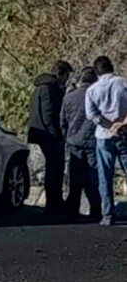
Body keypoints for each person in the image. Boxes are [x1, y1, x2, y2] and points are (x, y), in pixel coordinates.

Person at [85, 56, 127, 226]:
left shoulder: (92, 90)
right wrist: (121, 123)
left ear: (97, 72)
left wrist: (108, 125)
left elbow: (91, 115)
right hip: (125, 133)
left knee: (105, 176)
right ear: (112, 67)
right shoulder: (123, 83)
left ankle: (107, 214)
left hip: (103, 135)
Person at [28, 60, 74, 212]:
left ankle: (53, 200)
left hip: (41, 133)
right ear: (60, 74)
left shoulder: (40, 88)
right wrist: (57, 137)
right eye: (66, 76)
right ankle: (54, 201)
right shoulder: (49, 89)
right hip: (48, 135)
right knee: (55, 167)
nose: (66, 80)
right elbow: (49, 115)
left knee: (52, 166)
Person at [61, 67, 101, 218]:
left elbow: (62, 121)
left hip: (74, 142)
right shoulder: (97, 96)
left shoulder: (70, 97)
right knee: (93, 177)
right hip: (92, 142)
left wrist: (67, 136)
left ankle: (73, 208)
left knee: (75, 177)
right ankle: (96, 209)